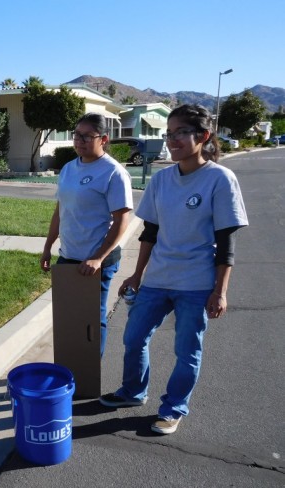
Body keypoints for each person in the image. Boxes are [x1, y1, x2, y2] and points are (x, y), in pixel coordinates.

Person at [99, 104, 248, 435]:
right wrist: (136, 275)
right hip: (157, 279)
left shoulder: (220, 179)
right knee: (134, 336)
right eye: (169, 133)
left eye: (180, 132)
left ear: (203, 136)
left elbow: (227, 243)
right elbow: (150, 233)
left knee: (187, 351)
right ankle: (132, 393)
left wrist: (219, 291)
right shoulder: (162, 178)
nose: (172, 140)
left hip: (196, 285)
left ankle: (173, 408)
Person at [41, 112, 133, 357]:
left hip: (97, 261)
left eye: (86, 136)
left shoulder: (113, 172)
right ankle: (73, 367)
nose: (79, 140)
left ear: (103, 139)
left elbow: (122, 219)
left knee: (92, 318)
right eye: (76, 135)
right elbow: (61, 210)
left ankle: (90, 372)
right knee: (69, 316)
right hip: (69, 255)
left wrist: (98, 258)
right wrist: (48, 245)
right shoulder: (69, 169)